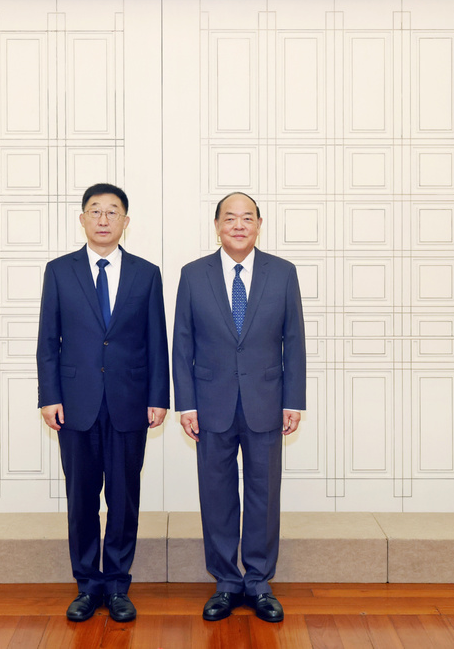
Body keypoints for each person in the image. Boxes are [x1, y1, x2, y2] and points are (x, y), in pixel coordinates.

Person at [36, 183, 169, 623]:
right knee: (81, 498)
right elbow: (48, 341)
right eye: (95, 211)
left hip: (130, 402)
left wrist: (158, 397)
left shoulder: (147, 274)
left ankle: (116, 585)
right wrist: (50, 396)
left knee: (124, 497)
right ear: (83, 219)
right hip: (75, 404)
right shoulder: (59, 271)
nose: (104, 219)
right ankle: (86, 585)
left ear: (126, 222)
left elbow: (156, 340)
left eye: (113, 212)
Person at [172, 192, 306, 623]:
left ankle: (259, 582)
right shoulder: (193, 274)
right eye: (230, 218)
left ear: (259, 225)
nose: (238, 225)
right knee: (217, 495)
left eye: (247, 218)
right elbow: (183, 343)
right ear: (217, 226)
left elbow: (294, 341)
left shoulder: (282, 273)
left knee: (264, 494)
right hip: (210, 403)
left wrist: (293, 400)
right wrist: (186, 404)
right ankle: (227, 582)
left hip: (267, 401)